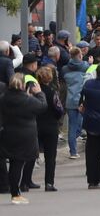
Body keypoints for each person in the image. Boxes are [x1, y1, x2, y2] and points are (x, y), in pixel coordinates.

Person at [1, 74, 45, 204]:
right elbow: (42, 106)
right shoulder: (27, 100)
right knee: (17, 164)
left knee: (11, 162)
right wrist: (39, 93)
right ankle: (15, 193)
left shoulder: (3, 99)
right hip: (25, 135)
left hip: (7, 133)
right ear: (23, 85)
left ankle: (11, 189)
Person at [32, 65, 63, 193]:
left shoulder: (33, 92)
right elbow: (59, 109)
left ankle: (25, 181)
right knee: (50, 156)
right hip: (51, 126)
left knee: (31, 154)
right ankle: (49, 183)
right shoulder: (52, 92)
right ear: (50, 78)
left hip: (35, 125)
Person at [61, 46, 88, 161]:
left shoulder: (65, 69)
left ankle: (73, 151)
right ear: (80, 55)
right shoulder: (86, 66)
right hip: (82, 100)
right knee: (81, 124)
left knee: (72, 126)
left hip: (70, 99)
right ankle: (76, 139)